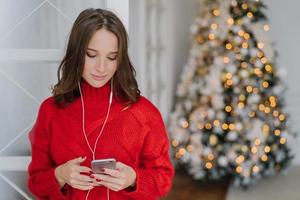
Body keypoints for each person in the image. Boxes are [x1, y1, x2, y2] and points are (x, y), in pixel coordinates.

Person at [27, 8, 174, 200]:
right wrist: (60, 175)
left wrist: (134, 179)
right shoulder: (51, 111)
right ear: (77, 52)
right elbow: (35, 181)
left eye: (111, 57)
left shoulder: (143, 113)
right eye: (91, 55)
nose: (102, 68)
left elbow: (163, 178)